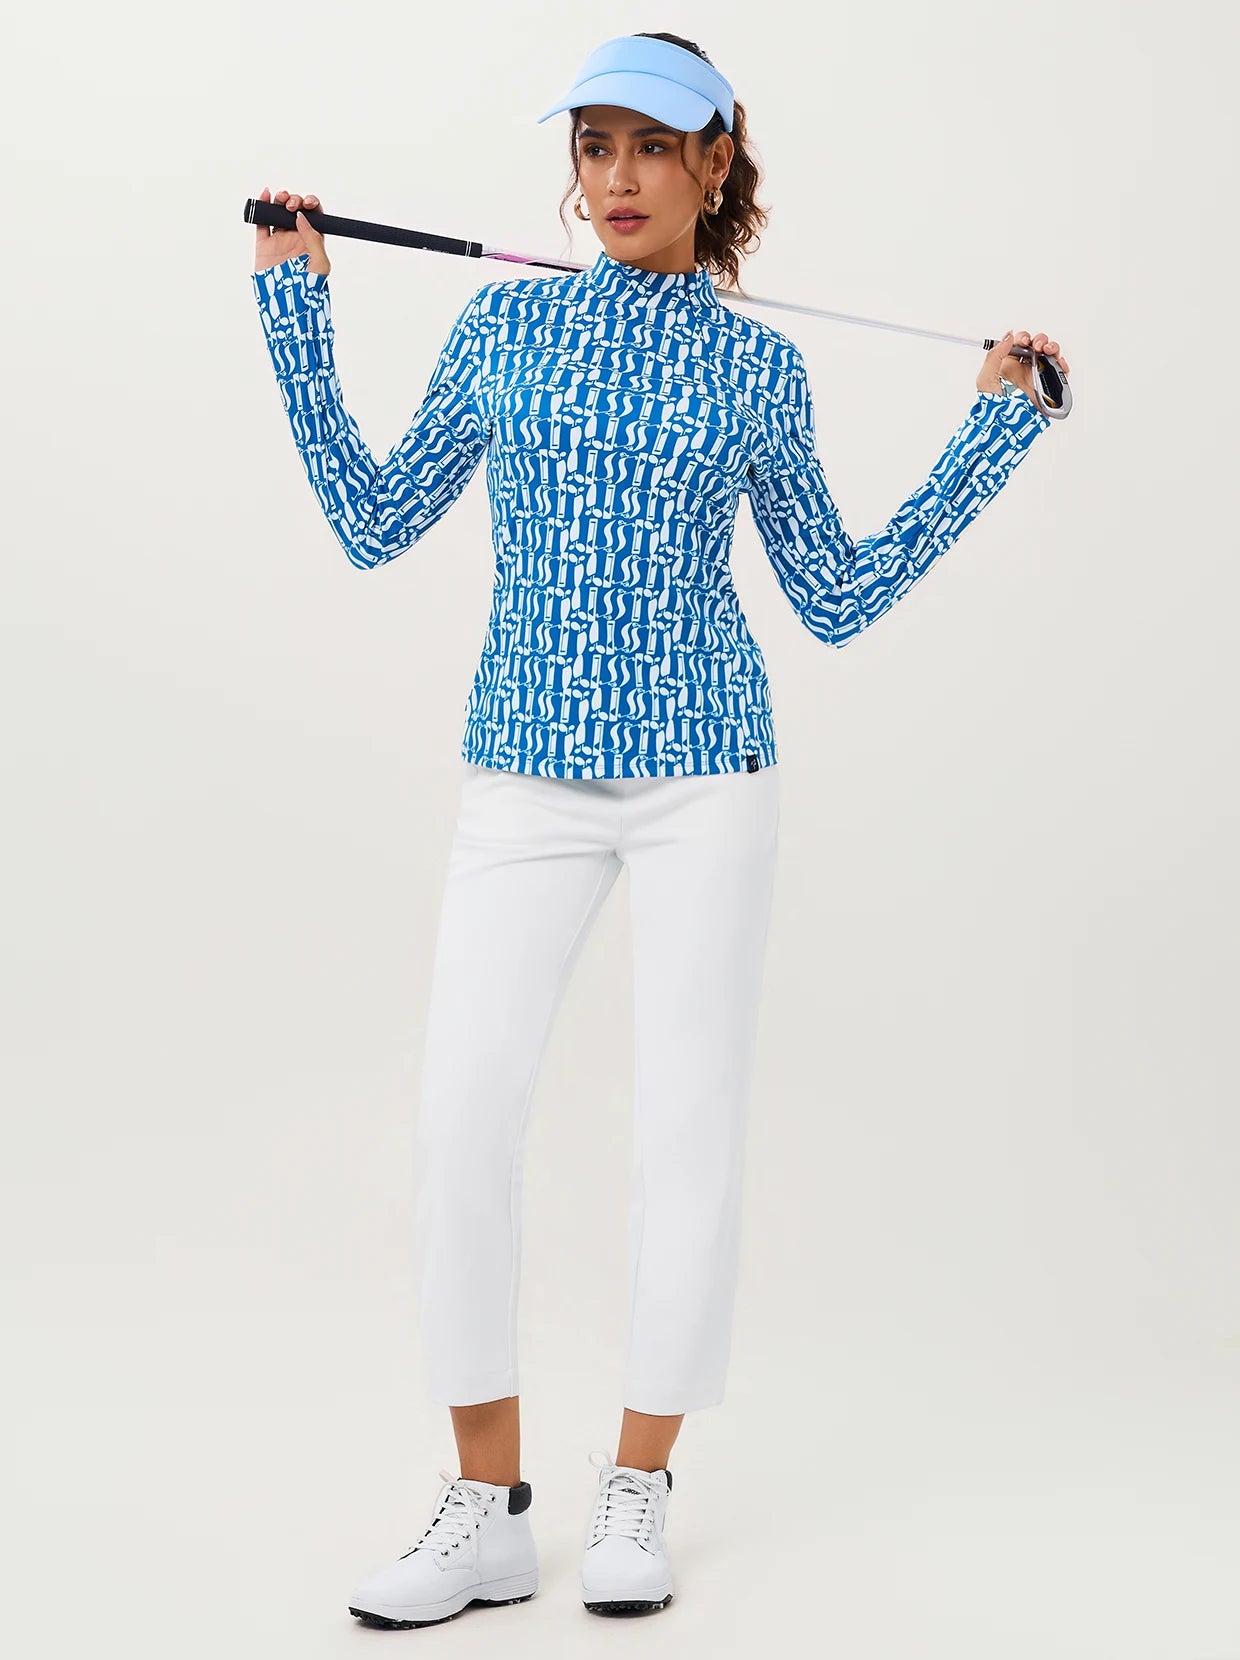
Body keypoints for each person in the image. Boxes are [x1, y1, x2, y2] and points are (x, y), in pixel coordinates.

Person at [250, 29, 1069, 1630]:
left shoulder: (759, 367)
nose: (616, 176)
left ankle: (639, 1481)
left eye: (651, 145)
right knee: (461, 1121)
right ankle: (485, 1505)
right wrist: (298, 303)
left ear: (714, 162)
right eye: (594, 145)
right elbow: (371, 519)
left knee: (686, 1129)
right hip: (526, 773)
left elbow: (834, 594)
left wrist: (990, 432)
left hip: (707, 778)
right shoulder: (507, 326)